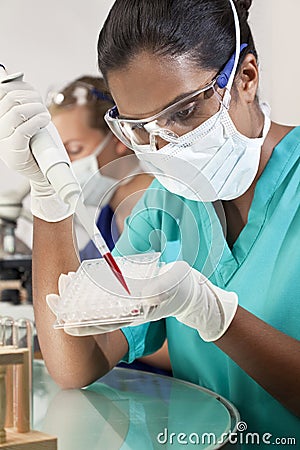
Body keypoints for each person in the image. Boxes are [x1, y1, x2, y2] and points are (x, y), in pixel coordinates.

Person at [0, 0, 299, 446]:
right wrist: (49, 197)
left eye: (184, 112)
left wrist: (215, 314)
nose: (167, 145)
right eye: (141, 128)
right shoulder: (164, 207)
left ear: (246, 78)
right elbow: (76, 363)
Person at [47, 75, 172, 375]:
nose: (65, 168)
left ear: (118, 140)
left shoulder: (157, 209)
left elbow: (182, 345)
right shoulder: (105, 217)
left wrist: (107, 335)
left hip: (165, 398)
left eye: (74, 151)